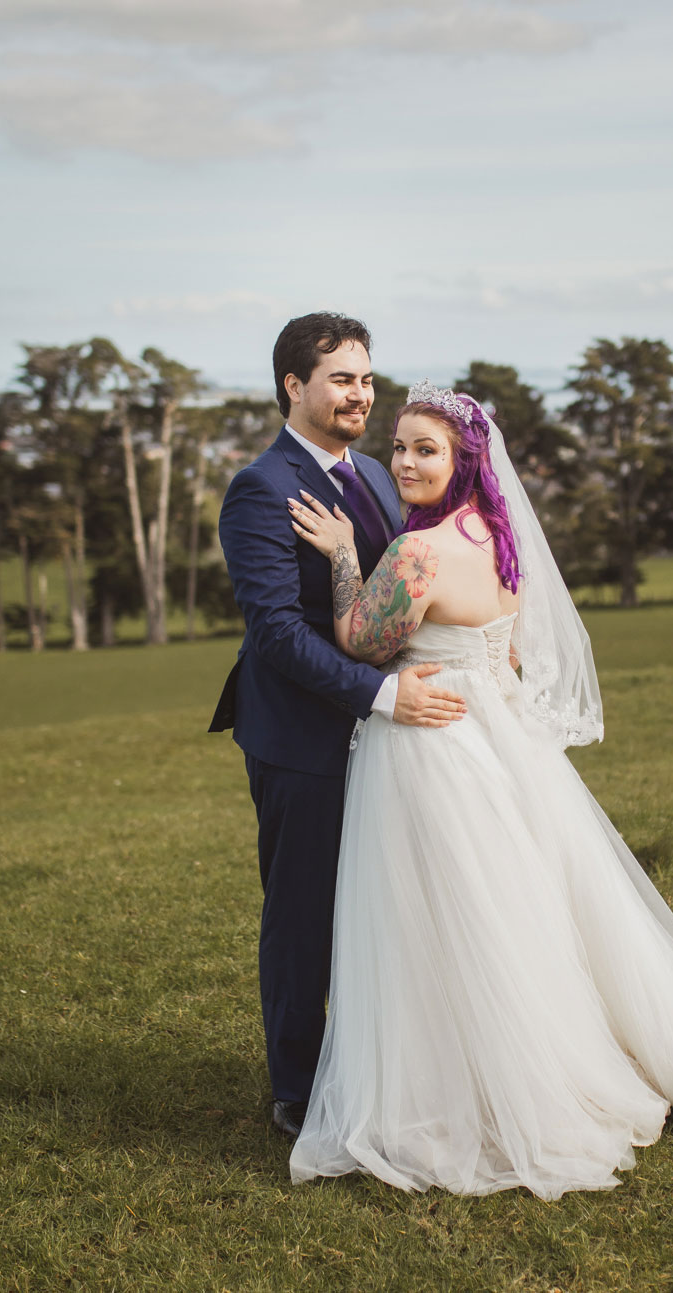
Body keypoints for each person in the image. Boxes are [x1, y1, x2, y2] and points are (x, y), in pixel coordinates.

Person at [278, 381, 673, 1199]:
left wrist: (344, 553)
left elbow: (358, 641)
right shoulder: (497, 531)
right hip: (498, 736)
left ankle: (463, 1085)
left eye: (425, 448)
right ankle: (511, 1060)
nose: (405, 461)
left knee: (436, 917)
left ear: (463, 460)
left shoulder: (418, 553)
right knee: (510, 912)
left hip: (431, 741)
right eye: (401, 444)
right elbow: (506, 650)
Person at [211, 313, 470, 1140]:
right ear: (295, 385)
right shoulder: (262, 486)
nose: (361, 394)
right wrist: (383, 696)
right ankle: (296, 1086)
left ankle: (371, 1062)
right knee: (304, 914)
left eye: (366, 378)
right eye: (342, 379)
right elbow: (278, 634)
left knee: (378, 905)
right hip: (302, 738)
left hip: (384, 740)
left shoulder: (372, 475)